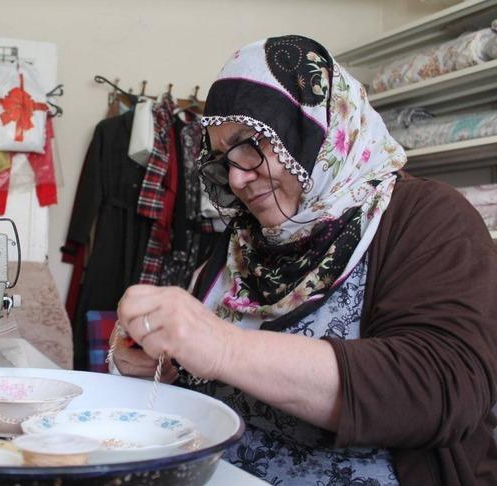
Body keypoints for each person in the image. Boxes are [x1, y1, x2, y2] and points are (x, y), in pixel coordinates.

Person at [113, 35, 497, 485]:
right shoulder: (244, 239)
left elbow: (442, 386)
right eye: (222, 159)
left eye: (251, 144)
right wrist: (152, 358)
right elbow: (196, 375)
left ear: (316, 129)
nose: (237, 178)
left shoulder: (426, 217)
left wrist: (222, 347)